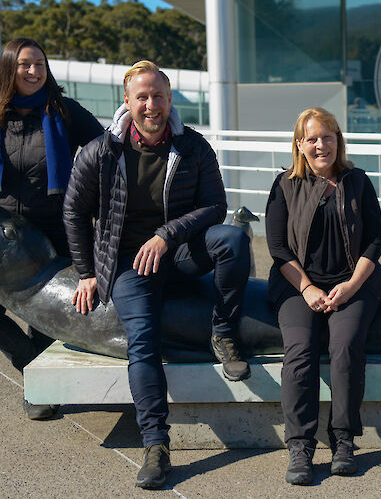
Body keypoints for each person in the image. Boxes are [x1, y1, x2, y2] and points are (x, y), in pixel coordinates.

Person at [62, 60, 251, 489]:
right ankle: (155, 445)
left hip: (179, 252)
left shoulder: (193, 146)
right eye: (142, 97)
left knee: (233, 240)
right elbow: (73, 211)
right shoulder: (100, 151)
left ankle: (223, 332)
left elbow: (214, 206)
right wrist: (87, 272)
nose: (152, 105)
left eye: (159, 96)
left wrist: (167, 235)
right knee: (143, 344)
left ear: (170, 99)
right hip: (129, 265)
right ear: (126, 102)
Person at [265, 107, 381, 485]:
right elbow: (277, 248)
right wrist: (307, 288)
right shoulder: (285, 184)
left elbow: (375, 240)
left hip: (354, 282)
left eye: (329, 136)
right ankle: (301, 445)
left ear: (339, 139)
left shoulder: (358, 180)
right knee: (300, 350)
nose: (322, 145)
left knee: (345, 346)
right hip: (296, 284)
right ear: (300, 145)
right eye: (313, 138)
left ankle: (343, 440)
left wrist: (351, 286)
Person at [0, 37, 103, 420]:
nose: (33, 71)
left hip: (55, 224)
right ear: (10, 68)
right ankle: (30, 363)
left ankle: (40, 388)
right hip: (6, 227)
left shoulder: (64, 111)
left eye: (40, 63)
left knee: (47, 310)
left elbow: (103, 150)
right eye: (25, 64)